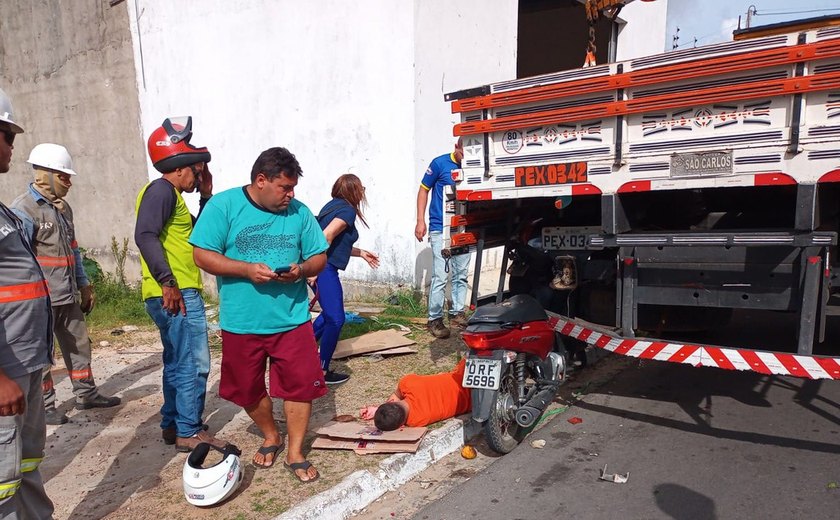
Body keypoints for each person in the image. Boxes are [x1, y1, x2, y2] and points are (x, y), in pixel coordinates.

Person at [190, 146, 329, 482]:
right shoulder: (224, 206)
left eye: (293, 187)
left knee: (299, 388)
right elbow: (202, 255)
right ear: (261, 180)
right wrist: (246, 269)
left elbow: (318, 258)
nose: (290, 195)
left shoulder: (299, 212)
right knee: (246, 389)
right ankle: (271, 434)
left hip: (291, 320)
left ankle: (295, 452)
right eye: (284, 187)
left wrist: (301, 270)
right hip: (241, 322)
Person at [134, 116, 229, 453]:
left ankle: (172, 424)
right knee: (193, 363)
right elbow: (144, 235)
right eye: (196, 170)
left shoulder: (172, 197)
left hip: (172, 290)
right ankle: (189, 429)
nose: (197, 175)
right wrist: (168, 282)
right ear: (179, 165)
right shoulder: (161, 191)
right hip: (175, 291)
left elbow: (200, 237)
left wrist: (205, 195)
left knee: (177, 360)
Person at [11, 143, 120, 426]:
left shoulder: (62, 209)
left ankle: (86, 394)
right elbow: (18, 261)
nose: (69, 183)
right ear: (44, 175)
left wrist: (84, 285)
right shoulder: (23, 210)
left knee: (78, 345)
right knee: (43, 355)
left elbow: (73, 250)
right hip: (41, 299)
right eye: (64, 177)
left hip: (68, 295)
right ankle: (45, 407)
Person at [0, 86, 55, 518]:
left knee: (27, 460)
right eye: (6, 134)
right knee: (3, 475)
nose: (12, 145)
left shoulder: (2, 211)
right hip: (6, 370)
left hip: (27, 358)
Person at [311, 173, 380, 385]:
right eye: (361, 188)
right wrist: (313, 268)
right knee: (336, 318)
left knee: (330, 315)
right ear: (353, 191)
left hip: (323, 266)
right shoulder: (347, 210)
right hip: (324, 269)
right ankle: (321, 370)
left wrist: (361, 253)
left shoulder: (332, 206)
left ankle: (301, 349)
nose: (363, 191)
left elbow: (337, 242)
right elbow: (326, 237)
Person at [415, 138, 470, 339]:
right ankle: (434, 319)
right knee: (440, 275)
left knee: (461, 273)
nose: (466, 157)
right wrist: (420, 220)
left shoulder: (473, 166)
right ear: (457, 147)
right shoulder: (439, 163)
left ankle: (457, 313)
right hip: (440, 227)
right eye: (464, 152)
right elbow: (423, 190)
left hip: (464, 228)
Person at [360, 358, 471, 431]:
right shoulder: (408, 383)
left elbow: (395, 409)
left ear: (401, 425)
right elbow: (396, 395)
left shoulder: (417, 421)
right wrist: (377, 410)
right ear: (391, 402)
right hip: (464, 375)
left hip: (475, 400)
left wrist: (379, 413)